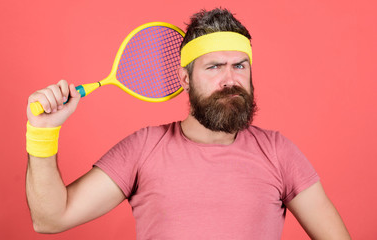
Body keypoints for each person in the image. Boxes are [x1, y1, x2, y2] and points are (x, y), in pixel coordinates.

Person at [26, 8, 351, 239]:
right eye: (213, 67)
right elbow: (50, 219)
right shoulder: (143, 148)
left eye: (240, 65)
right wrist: (42, 132)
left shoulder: (279, 153)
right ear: (185, 78)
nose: (230, 80)